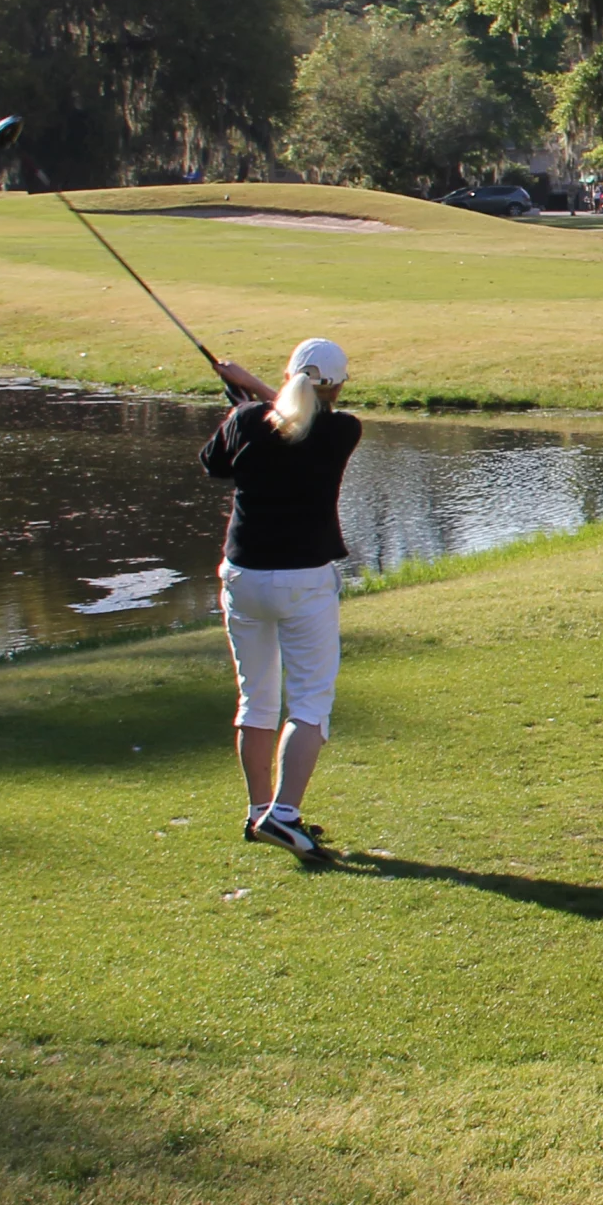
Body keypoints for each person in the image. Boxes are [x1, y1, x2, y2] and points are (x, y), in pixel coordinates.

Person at [200, 338, 361, 858]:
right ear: (336, 386)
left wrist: (246, 394)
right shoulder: (342, 430)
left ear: (289, 375)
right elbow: (297, 422)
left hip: (244, 576)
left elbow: (216, 464)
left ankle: (258, 812)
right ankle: (284, 817)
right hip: (303, 580)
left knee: (257, 698)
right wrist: (252, 393)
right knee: (311, 701)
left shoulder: (247, 420)